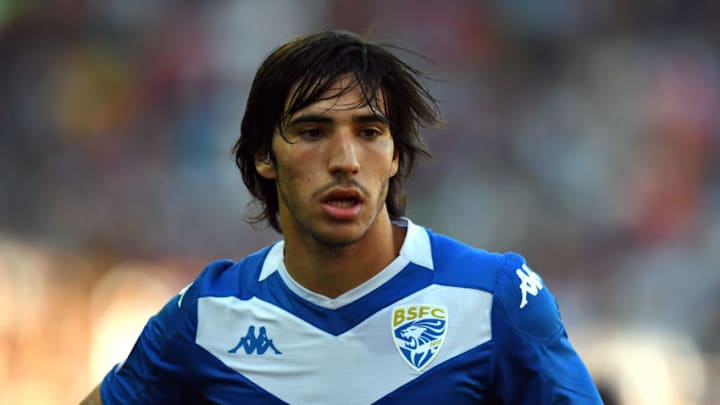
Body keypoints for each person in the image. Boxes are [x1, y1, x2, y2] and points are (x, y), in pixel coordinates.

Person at [82, 30, 603, 404]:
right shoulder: (207, 316)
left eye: (370, 132)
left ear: (396, 156)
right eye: (313, 132)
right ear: (265, 155)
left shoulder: (494, 298)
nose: (346, 160)